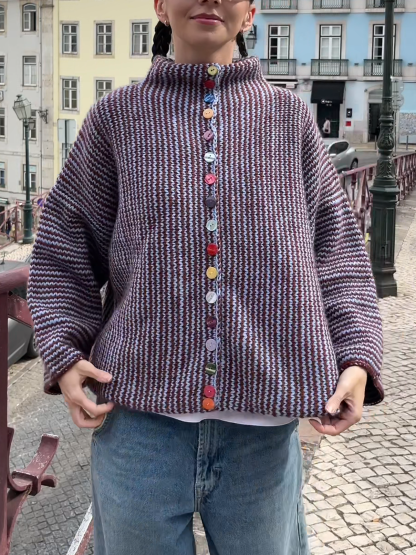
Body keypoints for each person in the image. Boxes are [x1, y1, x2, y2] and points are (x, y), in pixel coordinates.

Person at [27, 1, 384, 554]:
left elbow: (336, 250)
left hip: (263, 439)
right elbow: (62, 245)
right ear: (160, 6)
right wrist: (64, 351)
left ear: (251, 12)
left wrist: (357, 355)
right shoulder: (116, 120)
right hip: (138, 429)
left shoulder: (289, 120)